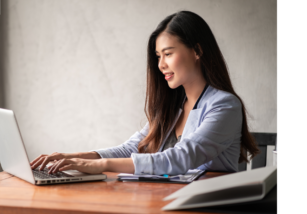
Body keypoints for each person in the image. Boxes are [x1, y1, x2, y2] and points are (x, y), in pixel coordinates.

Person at [30, 11, 259, 175]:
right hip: (166, 201)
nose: (161, 65)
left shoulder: (224, 106)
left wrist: (102, 166)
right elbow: (132, 148)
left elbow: (181, 158)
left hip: (209, 206)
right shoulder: (174, 106)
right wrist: (74, 158)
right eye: (158, 56)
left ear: (197, 50)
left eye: (168, 53)